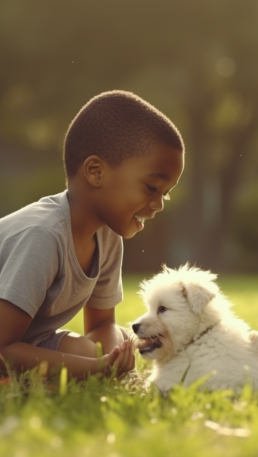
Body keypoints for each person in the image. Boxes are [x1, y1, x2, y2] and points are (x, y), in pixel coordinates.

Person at [0, 91, 184, 379]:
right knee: (86, 360)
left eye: (165, 195)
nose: (159, 204)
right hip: (5, 344)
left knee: (112, 343)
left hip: (26, 341)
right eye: (151, 188)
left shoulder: (107, 236)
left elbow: (100, 327)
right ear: (96, 172)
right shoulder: (43, 236)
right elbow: (3, 349)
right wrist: (95, 369)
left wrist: (113, 360)